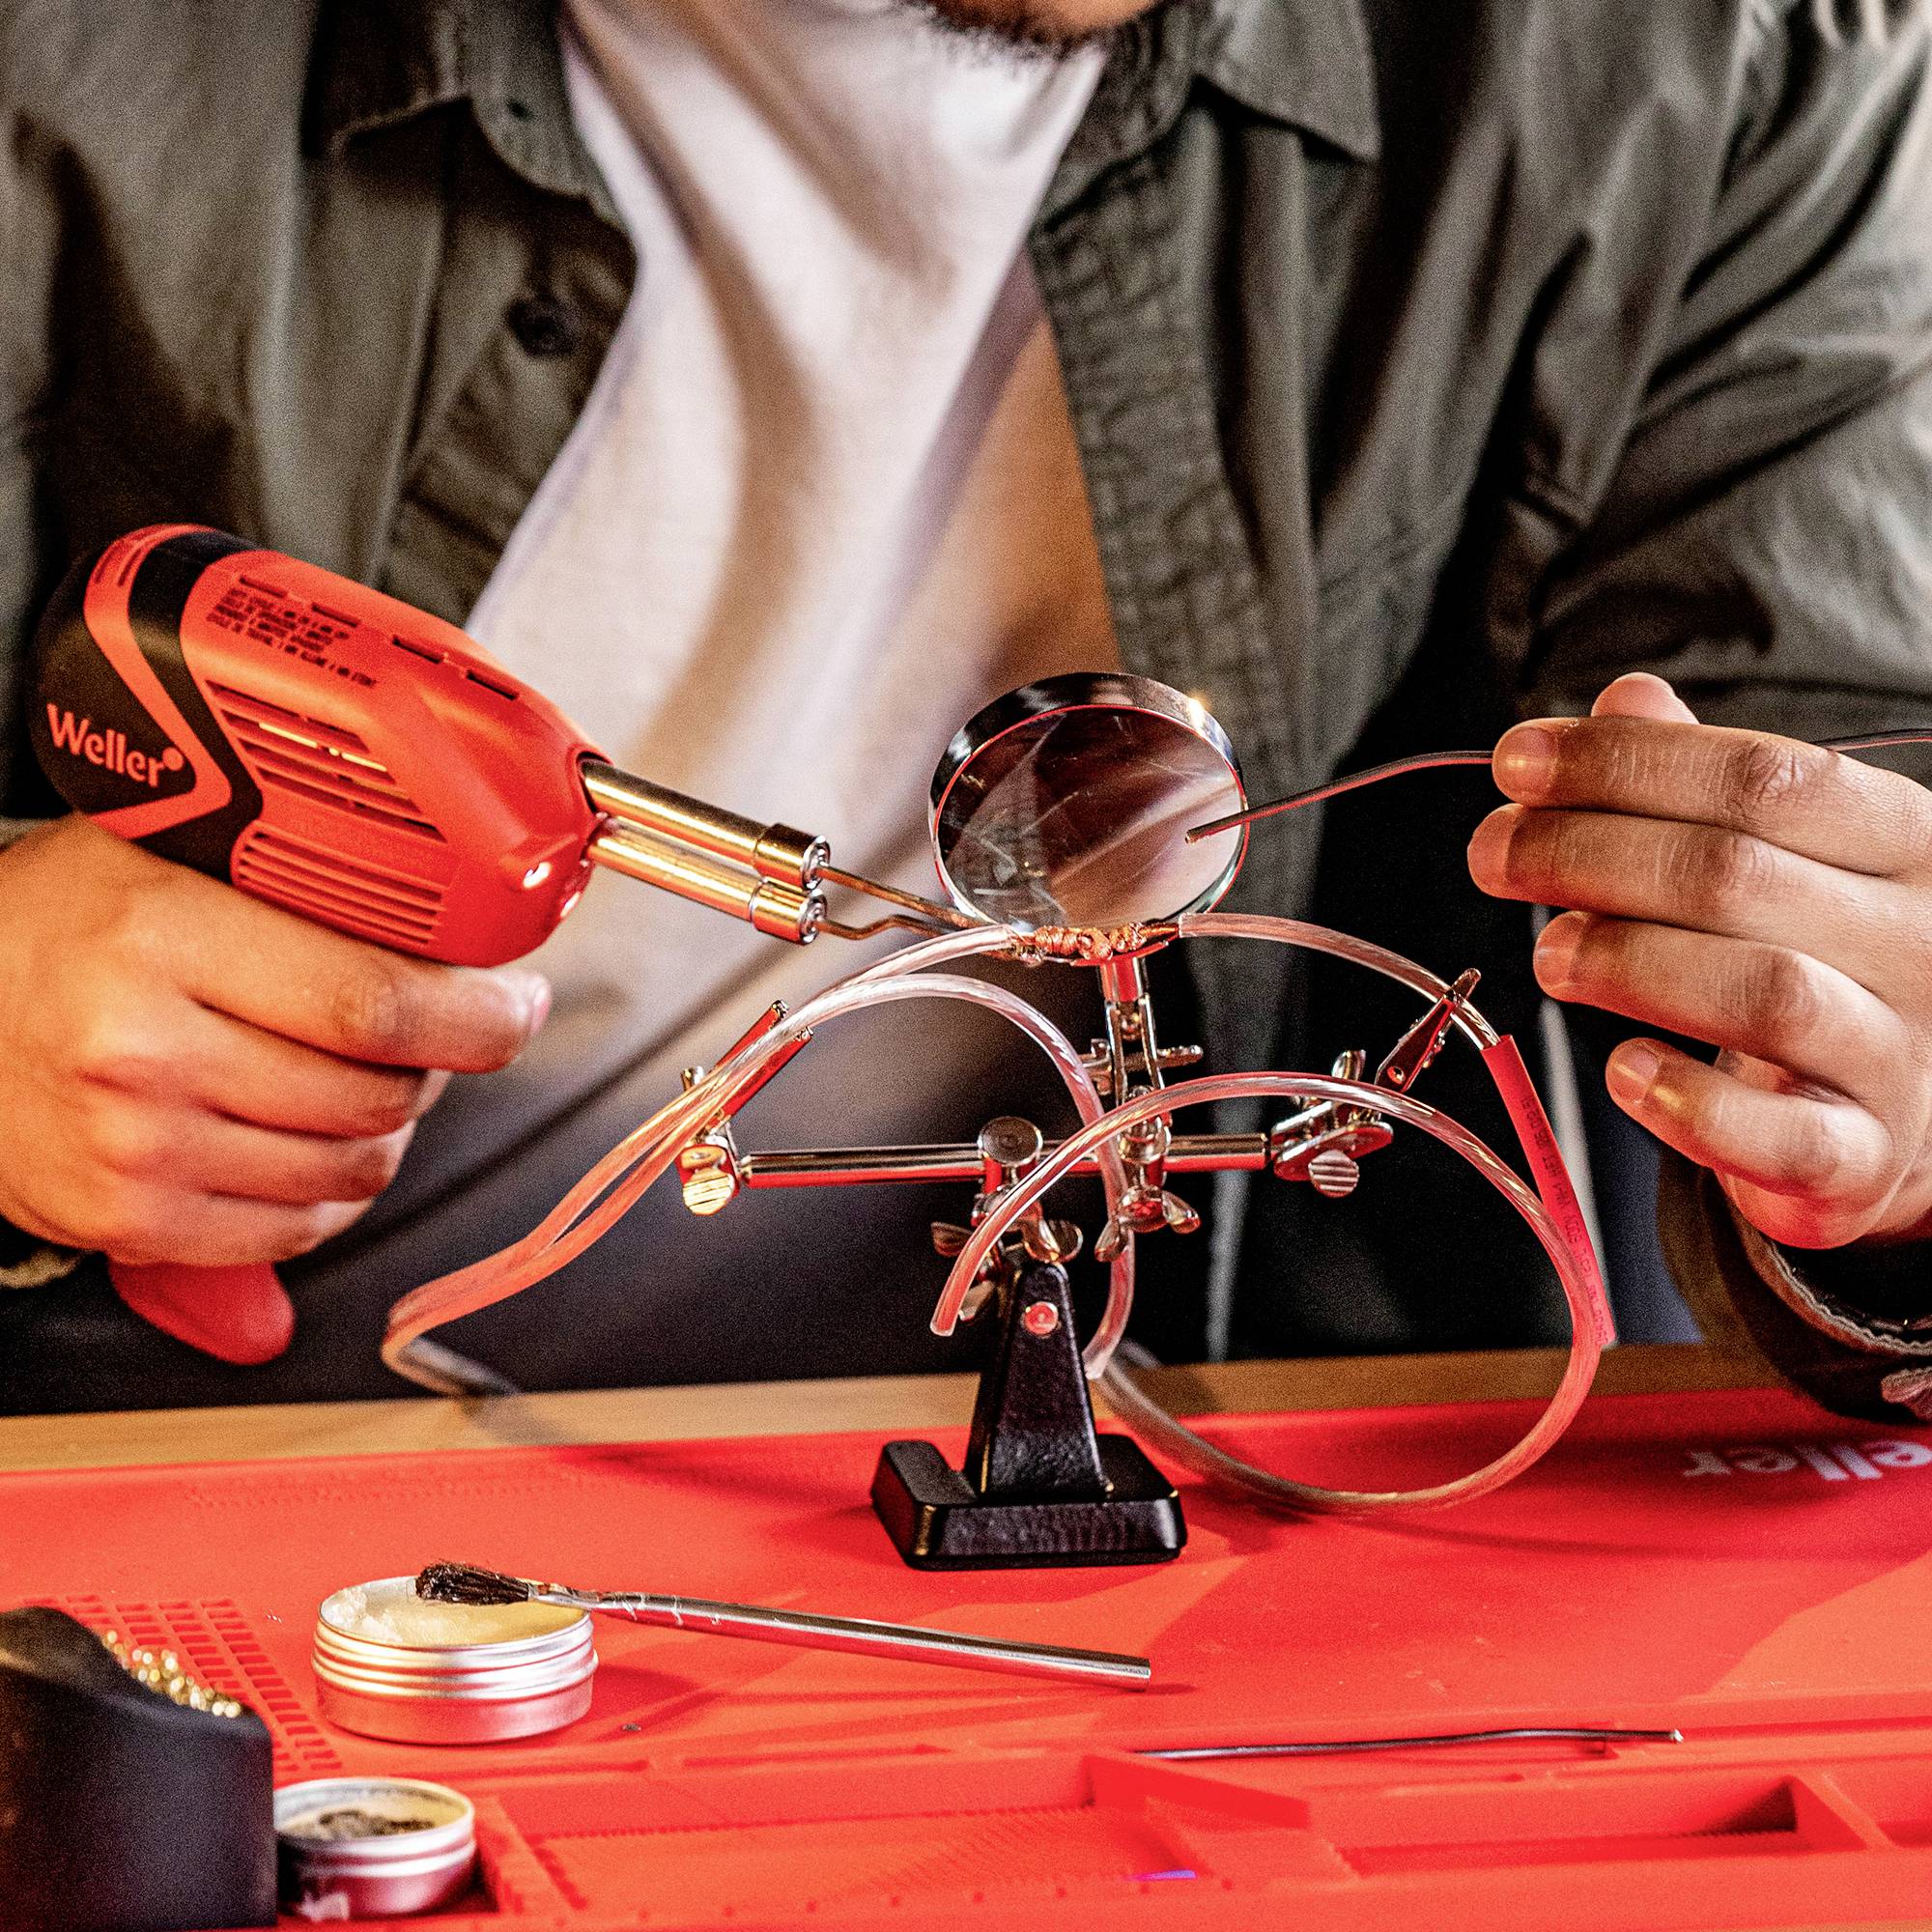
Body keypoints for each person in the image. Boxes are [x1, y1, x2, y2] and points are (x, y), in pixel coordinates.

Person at [1, 0, 1929, 1416]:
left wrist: (1883, 1138)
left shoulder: (1729, 63)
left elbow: (1867, 845)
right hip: (210, 1520)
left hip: (1239, 1574)